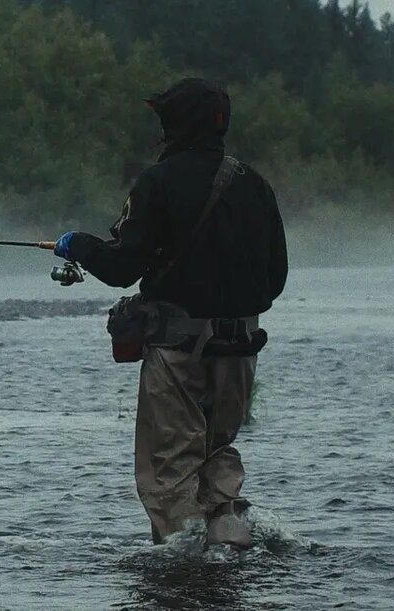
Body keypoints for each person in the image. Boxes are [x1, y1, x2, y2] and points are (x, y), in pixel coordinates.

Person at [52, 78, 287, 548]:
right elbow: (276, 278)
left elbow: (121, 268)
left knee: (171, 471)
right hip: (240, 352)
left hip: (179, 355)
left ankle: (185, 573)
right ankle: (229, 544)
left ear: (176, 125)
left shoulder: (157, 182)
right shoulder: (254, 184)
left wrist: (77, 245)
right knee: (215, 453)